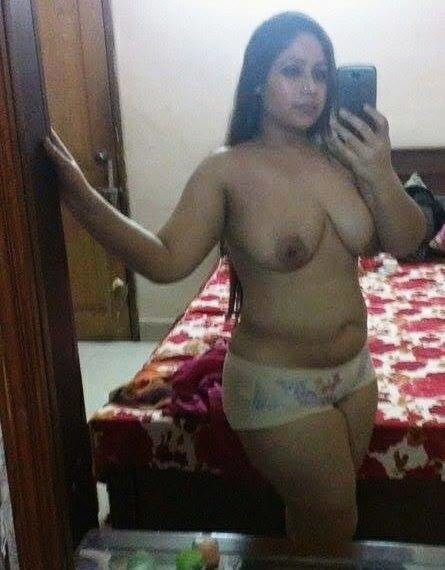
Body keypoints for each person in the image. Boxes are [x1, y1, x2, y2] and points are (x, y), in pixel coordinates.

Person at [44, 11, 426, 558]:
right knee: (335, 518)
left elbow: (406, 239)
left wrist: (380, 170)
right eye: (292, 70)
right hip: (278, 385)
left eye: (321, 73)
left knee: (318, 525)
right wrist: (82, 197)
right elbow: (166, 260)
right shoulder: (226, 171)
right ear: (257, 81)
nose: (311, 87)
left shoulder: (345, 157)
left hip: (355, 375)